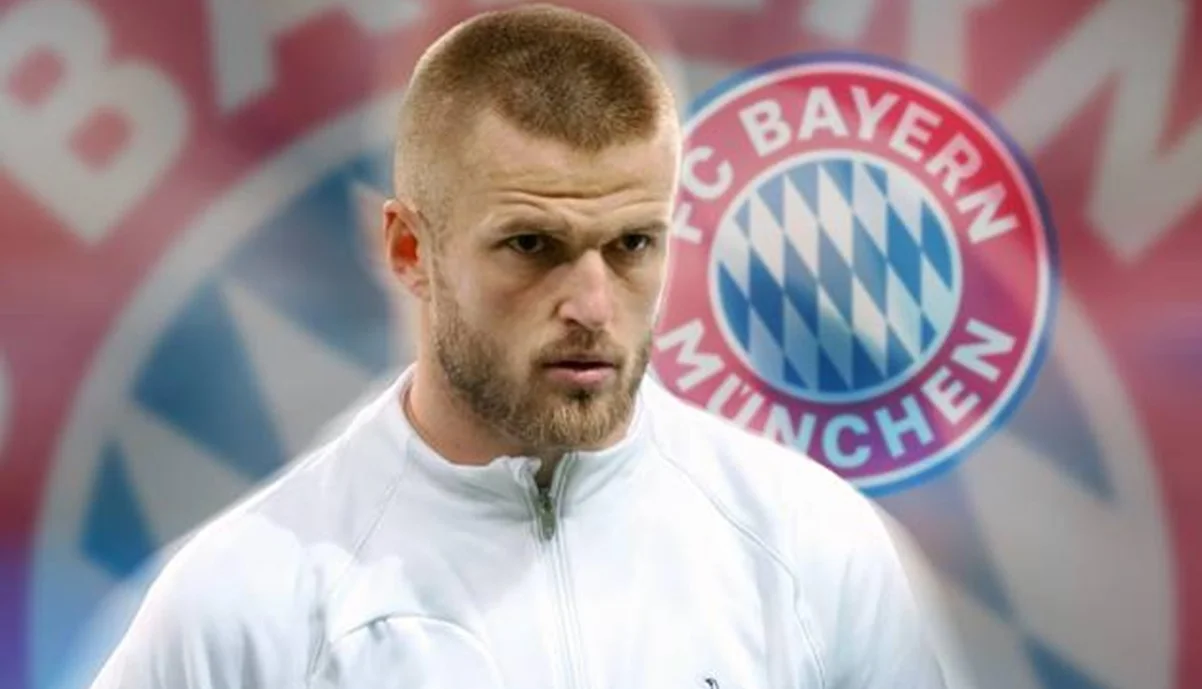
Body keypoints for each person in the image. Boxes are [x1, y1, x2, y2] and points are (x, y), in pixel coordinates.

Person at [88, 4, 948, 688]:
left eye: (633, 243)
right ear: (409, 250)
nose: (592, 305)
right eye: (532, 245)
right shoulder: (240, 606)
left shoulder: (814, 549)